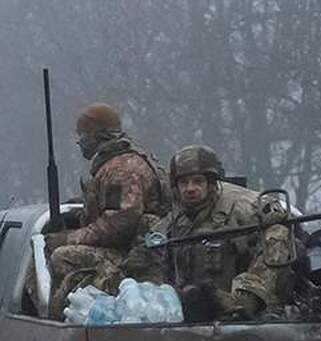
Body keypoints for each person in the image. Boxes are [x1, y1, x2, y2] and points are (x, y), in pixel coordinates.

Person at [43, 103, 169, 317]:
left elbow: (119, 223)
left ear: (97, 135)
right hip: (137, 250)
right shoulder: (121, 163)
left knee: (62, 256)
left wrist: (71, 238)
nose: (79, 142)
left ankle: (66, 317)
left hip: (137, 257)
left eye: (82, 135)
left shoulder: (121, 169)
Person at [155, 144, 295, 320]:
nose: (190, 188)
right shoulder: (176, 220)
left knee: (277, 233)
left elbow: (280, 230)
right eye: (184, 183)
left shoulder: (244, 208)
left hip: (247, 305)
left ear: (212, 184)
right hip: (196, 306)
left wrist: (246, 300)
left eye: (198, 181)